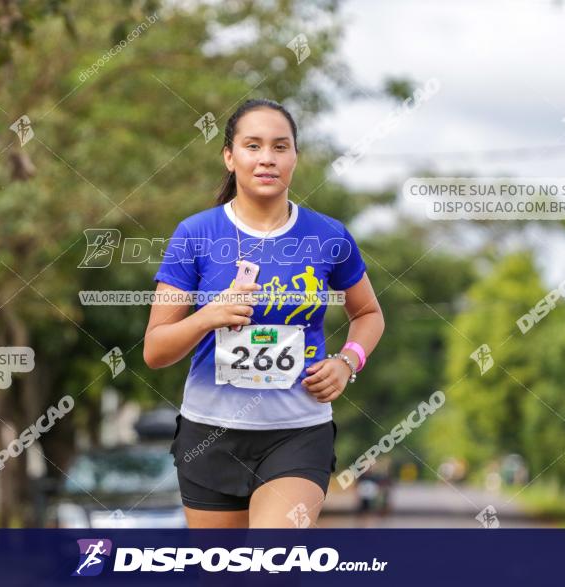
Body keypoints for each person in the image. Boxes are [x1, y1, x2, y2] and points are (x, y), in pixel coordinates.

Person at [144, 98, 385, 528]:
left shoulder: (328, 236)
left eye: (280, 147)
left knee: (269, 566)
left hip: (298, 433)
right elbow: (156, 350)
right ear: (229, 157)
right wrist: (207, 317)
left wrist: (348, 362)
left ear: (295, 157)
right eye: (253, 146)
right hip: (209, 436)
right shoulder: (195, 235)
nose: (267, 159)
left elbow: (368, 313)